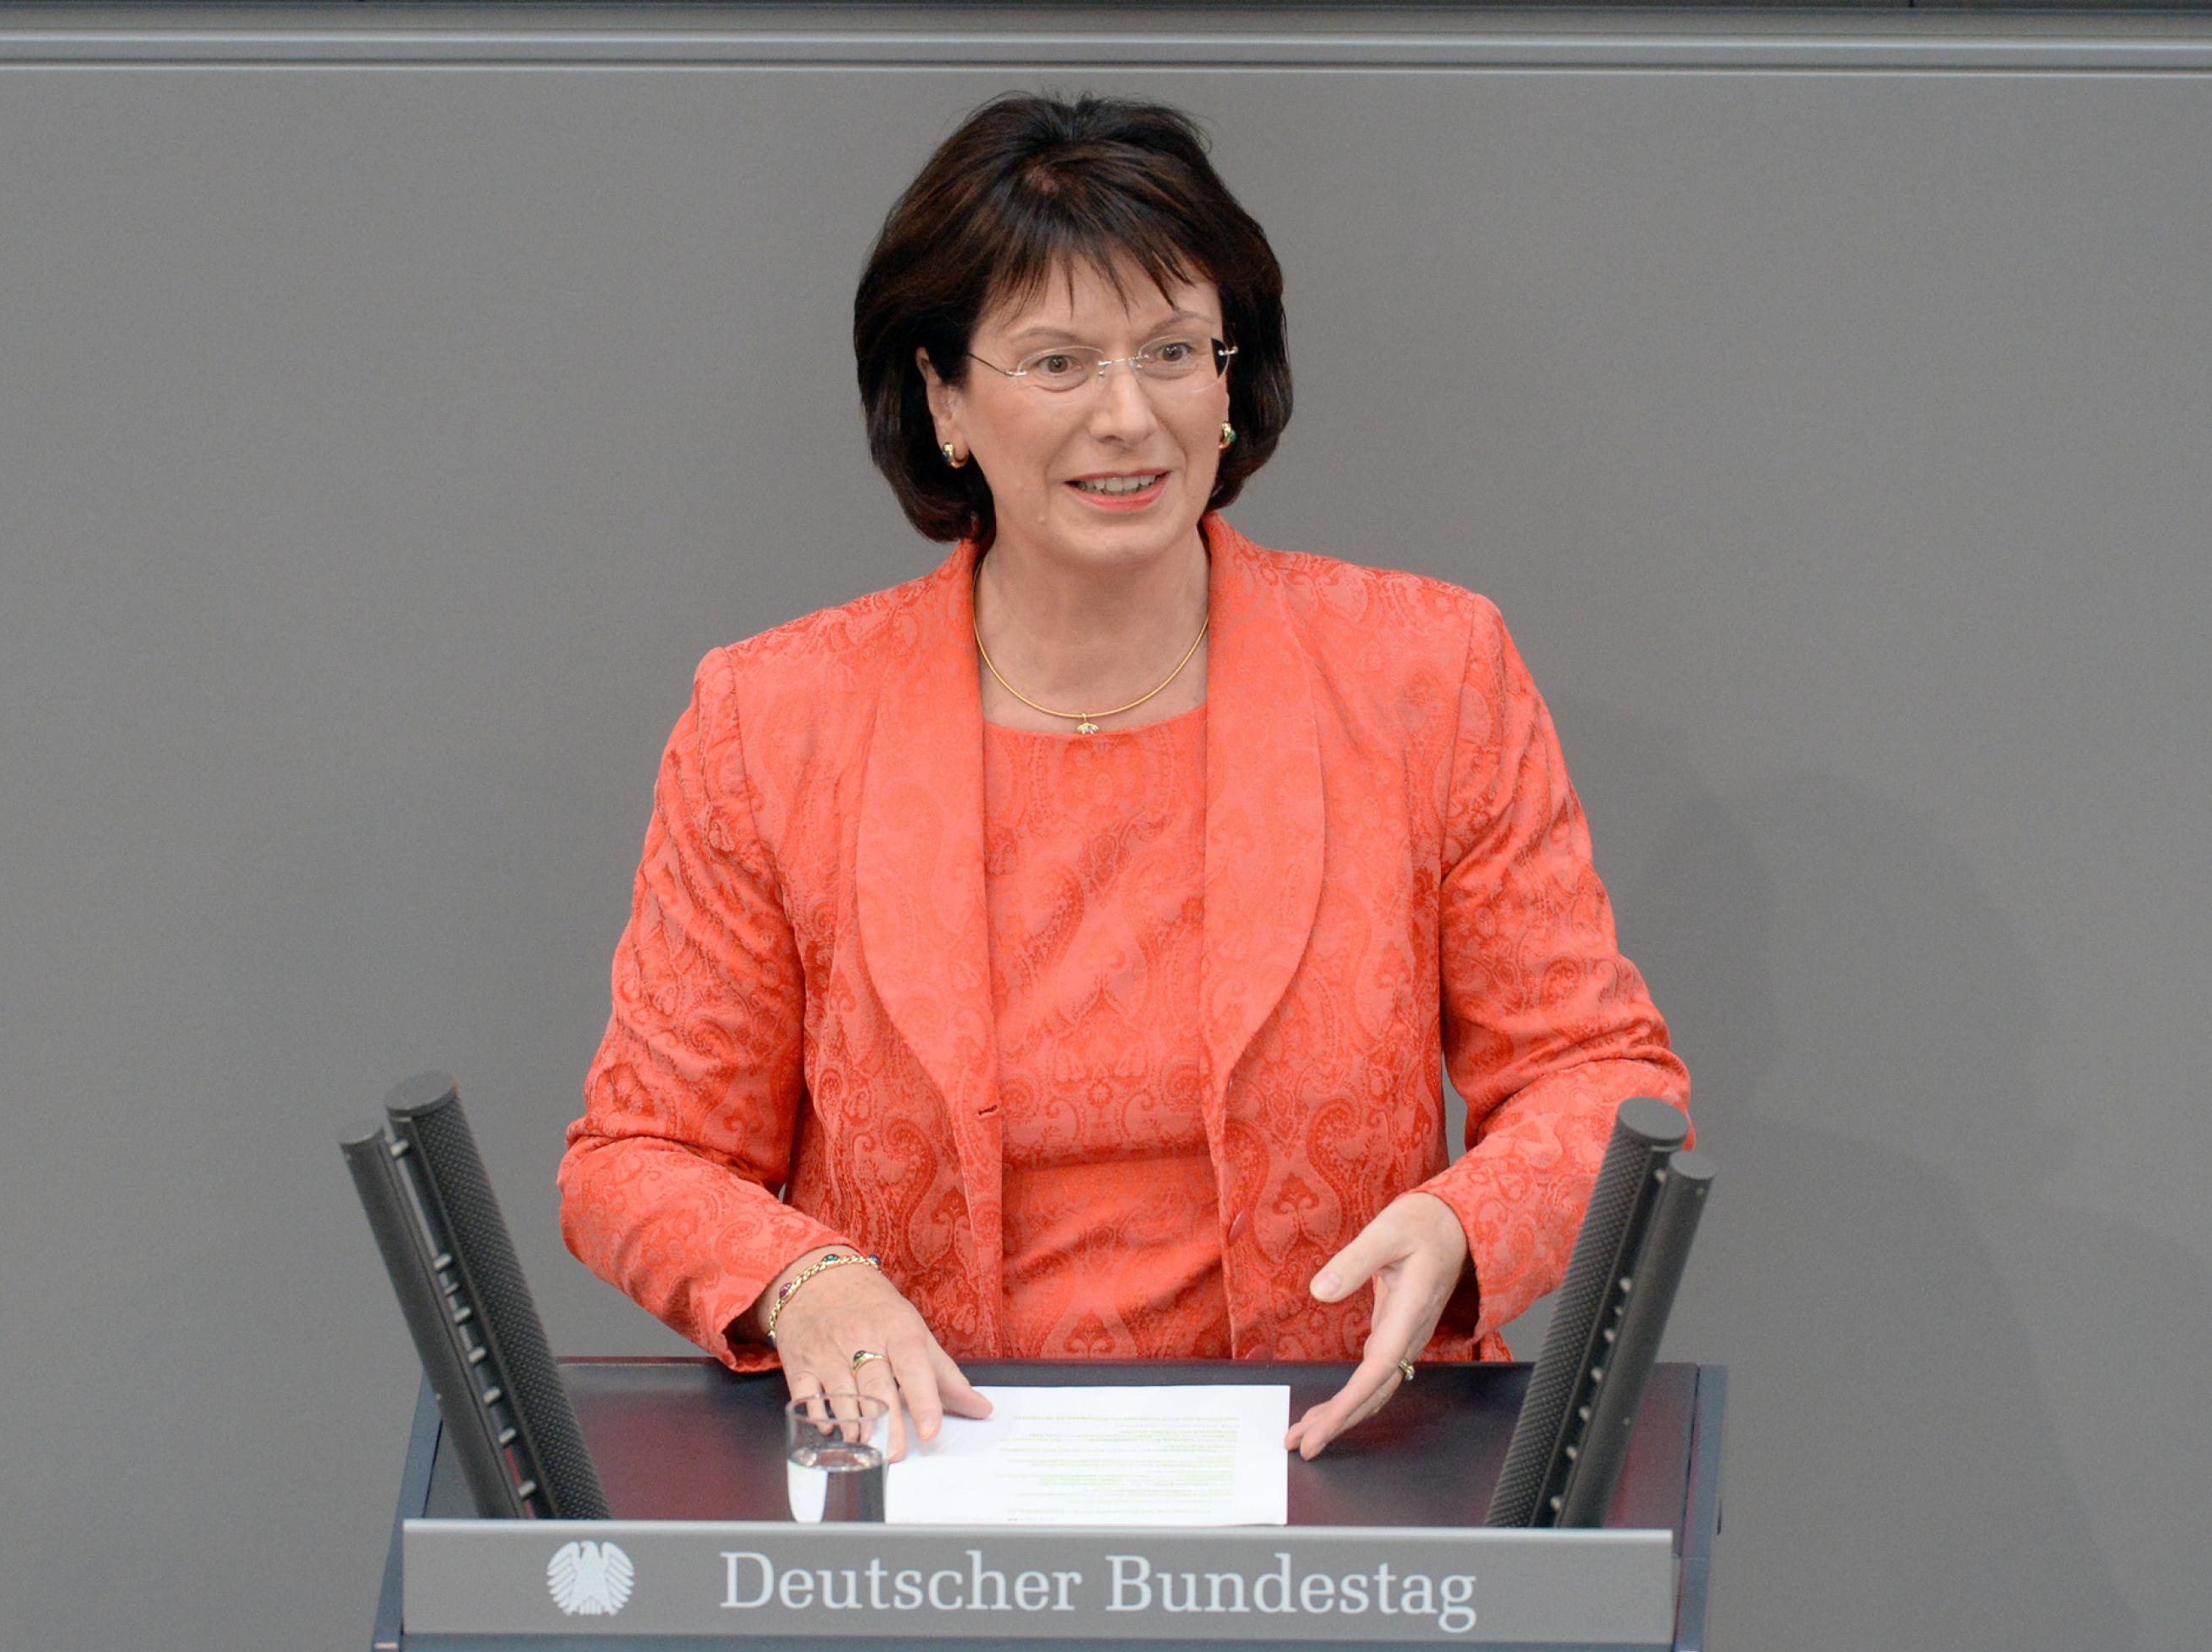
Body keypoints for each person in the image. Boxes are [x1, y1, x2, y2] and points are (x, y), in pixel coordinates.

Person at [559, 93, 1687, 1465]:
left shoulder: (1423, 672)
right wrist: (803, 1279)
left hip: (1326, 1466)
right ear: (942, 397)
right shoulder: (776, 719)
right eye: (1056, 362)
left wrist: (1469, 1227)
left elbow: (1601, 1078)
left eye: (1173, 351)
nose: (1129, 415)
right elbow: (638, 1157)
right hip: (933, 1480)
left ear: (1232, 380)